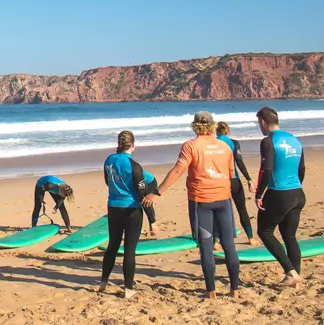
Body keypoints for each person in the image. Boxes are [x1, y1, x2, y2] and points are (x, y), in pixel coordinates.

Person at [143, 111, 242, 298]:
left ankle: (211, 290)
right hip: (224, 200)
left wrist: (157, 192)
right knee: (229, 245)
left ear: (195, 126)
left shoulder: (190, 146)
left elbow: (178, 171)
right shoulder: (224, 146)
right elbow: (231, 175)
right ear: (213, 126)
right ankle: (234, 289)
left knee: (206, 246)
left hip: (200, 202)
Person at [254, 106, 306, 287]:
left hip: (279, 194)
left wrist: (259, 194)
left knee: (265, 232)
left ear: (263, 122)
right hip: (298, 193)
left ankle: (290, 272)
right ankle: (296, 276)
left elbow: (266, 169)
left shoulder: (268, 141)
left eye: (258, 123)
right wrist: (294, 187)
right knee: (289, 236)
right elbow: (301, 169)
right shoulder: (295, 140)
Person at [99, 131, 148, 298]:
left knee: (112, 245)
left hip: (113, 207)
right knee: (129, 250)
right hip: (132, 209)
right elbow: (142, 193)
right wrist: (152, 218)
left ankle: (103, 282)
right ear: (133, 145)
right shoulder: (134, 166)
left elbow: (107, 181)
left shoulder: (109, 160)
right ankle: (128, 289)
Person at [217, 121, 259, 245]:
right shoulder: (234, 143)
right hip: (234, 180)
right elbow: (239, 162)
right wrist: (249, 179)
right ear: (227, 131)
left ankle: (216, 241)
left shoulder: (213, 143)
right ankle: (251, 238)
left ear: (215, 130)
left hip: (218, 181)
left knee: (218, 211)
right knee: (242, 209)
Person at [142, 167, 160, 237]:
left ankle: (153, 223)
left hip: (149, 182)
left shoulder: (130, 168)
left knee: (145, 202)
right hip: (138, 182)